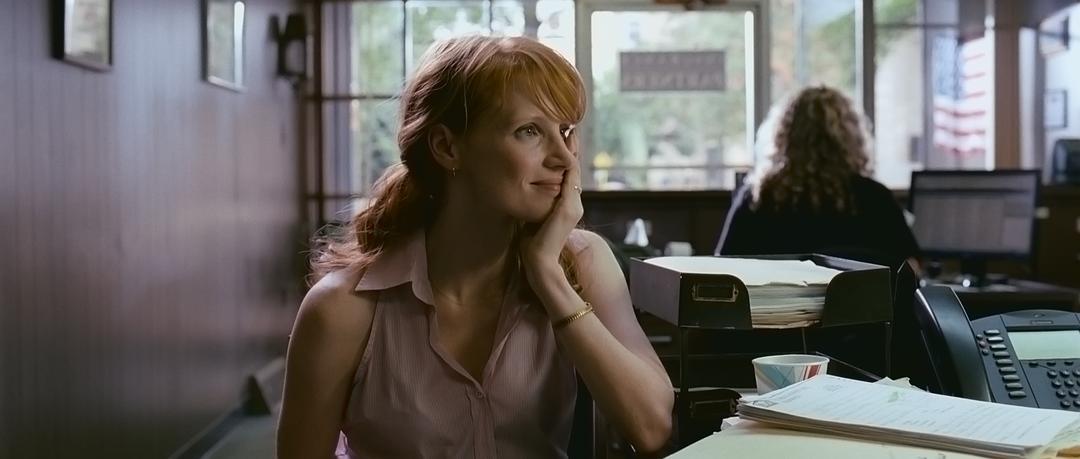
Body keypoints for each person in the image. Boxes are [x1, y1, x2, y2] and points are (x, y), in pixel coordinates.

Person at [277, 36, 674, 458]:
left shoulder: (583, 262)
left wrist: (547, 276)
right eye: (529, 131)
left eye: (566, 131)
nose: (564, 158)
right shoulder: (343, 310)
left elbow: (651, 428)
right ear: (447, 147)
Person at [715, 85, 920, 272]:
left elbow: (723, 271)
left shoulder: (758, 198)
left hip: (775, 304)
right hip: (863, 303)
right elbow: (911, 270)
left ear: (785, 135)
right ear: (851, 137)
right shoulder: (875, 198)